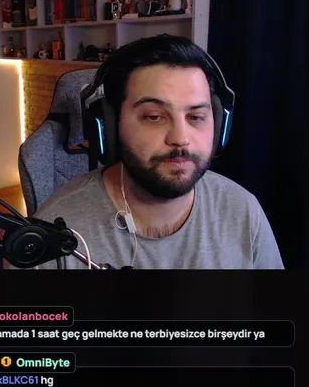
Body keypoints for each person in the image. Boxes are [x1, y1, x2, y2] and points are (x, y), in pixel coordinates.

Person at [28, 35, 283, 269]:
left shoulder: (244, 212)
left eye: (196, 117)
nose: (180, 139)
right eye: (154, 117)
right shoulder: (52, 238)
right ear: (109, 127)